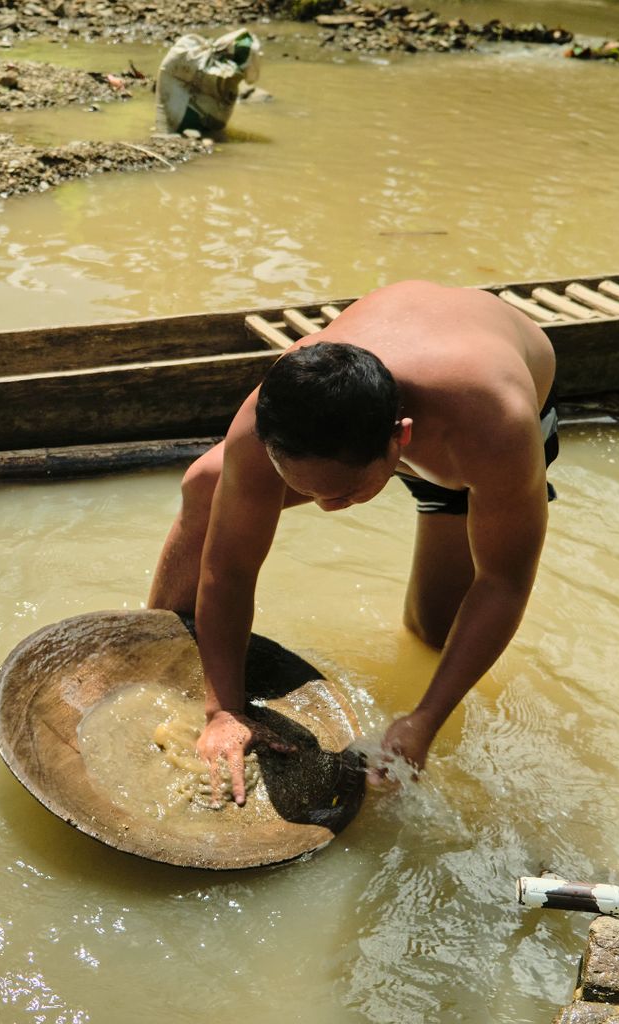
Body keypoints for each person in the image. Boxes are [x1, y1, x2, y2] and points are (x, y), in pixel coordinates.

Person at [147, 280, 558, 803]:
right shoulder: (264, 418)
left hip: (470, 440)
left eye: (341, 494)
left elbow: (503, 581)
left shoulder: (495, 426)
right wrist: (223, 707)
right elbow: (229, 569)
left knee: (434, 634)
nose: (325, 508)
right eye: (305, 489)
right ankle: (154, 650)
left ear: (401, 440)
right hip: (381, 404)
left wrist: (425, 719)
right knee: (206, 485)